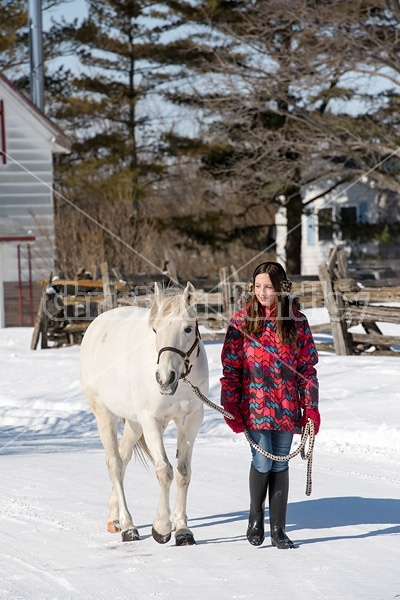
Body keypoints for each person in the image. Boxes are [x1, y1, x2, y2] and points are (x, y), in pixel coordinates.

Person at [220, 261, 320, 549]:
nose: (262, 292)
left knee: (281, 463)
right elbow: (231, 370)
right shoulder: (241, 322)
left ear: (281, 289)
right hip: (254, 405)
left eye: (269, 287)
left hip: (287, 405)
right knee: (262, 460)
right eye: (258, 286)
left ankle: (279, 529)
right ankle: (255, 517)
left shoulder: (297, 322)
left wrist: (310, 408)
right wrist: (231, 407)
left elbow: (307, 369)